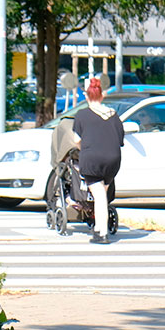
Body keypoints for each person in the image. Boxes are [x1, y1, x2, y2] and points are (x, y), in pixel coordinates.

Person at [72, 77, 124, 244]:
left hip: (92, 159)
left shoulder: (82, 115)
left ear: (87, 97)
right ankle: (98, 228)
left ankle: (102, 232)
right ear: (102, 96)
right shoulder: (114, 115)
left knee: (99, 195)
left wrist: (83, 148)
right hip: (113, 160)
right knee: (102, 194)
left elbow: (76, 139)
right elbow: (120, 139)